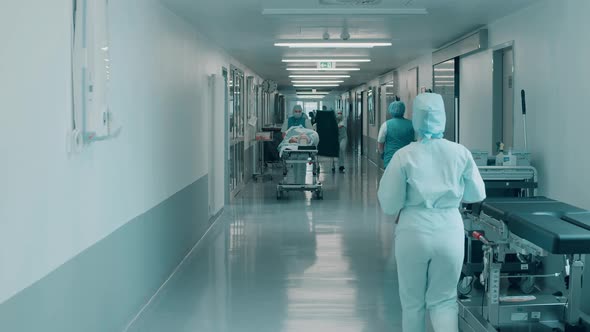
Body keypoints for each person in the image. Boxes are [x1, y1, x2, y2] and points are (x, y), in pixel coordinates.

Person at [377, 93, 486, 332]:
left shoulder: (404, 155)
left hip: (413, 230)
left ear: (415, 119)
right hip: (449, 230)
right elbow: (476, 193)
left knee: (412, 303)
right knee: (445, 301)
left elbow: (389, 203)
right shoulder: (460, 152)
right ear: (443, 118)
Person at [377, 101, 415, 169]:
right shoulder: (412, 124)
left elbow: (380, 144)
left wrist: (383, 154)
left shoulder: (386, 125)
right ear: (403, 110)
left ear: (390, 110)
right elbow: (416, 141)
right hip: (408, 159)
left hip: (391, 159)